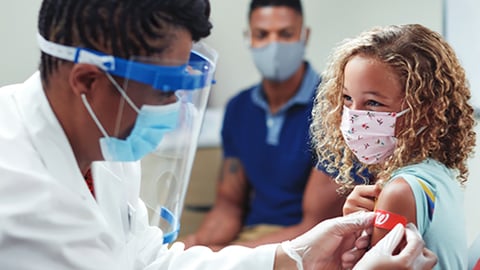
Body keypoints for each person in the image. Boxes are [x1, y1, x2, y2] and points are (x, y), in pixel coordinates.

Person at [0, 0, 438, 268]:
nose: (172, 109)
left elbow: (148, 261)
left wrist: (294, 257)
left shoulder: (103, 148)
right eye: (164, 89)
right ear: (89, 81)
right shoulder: (21, 197)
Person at [183, 0, 357, 250]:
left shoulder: (336, 108)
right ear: (249, 38)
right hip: (250, 239)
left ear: (304, 36)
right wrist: (194, 246)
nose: (273, 45)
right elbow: (228, 206)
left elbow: (317, 226)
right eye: (262, 35)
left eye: (285, 34)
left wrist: (226, 256)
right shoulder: (239, 108)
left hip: (307, 247)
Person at [310, 23, 476, 269]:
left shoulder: (399, 192)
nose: (353, 116)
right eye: (347, 98)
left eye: (374, 103)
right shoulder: (439, 173)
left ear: (423, 110)